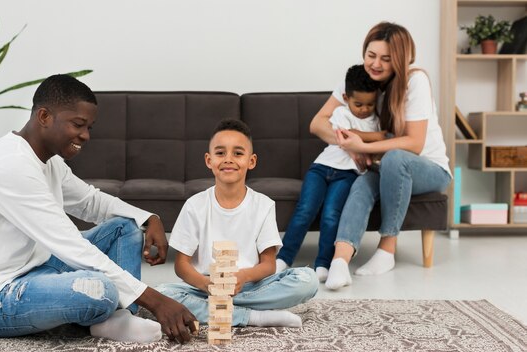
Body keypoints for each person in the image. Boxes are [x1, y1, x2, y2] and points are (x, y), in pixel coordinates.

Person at [0, 74, 198, 343]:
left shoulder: (46, 160)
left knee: (125, 226)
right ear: (44, 116)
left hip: (32, 267)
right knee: (101, 290)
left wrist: (148, 218)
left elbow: (90, 202)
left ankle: (119, 318)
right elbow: (71, 246)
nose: (85, 136)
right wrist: (157, 301)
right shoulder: (11, 166)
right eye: (78, 124)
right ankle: (112, 313)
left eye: (89, 127)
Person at [307, 22, 452, 290]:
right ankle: (340, 262)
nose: (376, 64)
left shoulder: (415, 80)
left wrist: (362, 147)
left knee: (396, 157)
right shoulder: (357, 81)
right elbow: (318, 123)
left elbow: (414, 144)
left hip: (429, 169)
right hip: (386, 166)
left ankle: (387, 250)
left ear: (400, 58)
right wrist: (349, 146)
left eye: (386, 58)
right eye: (371, 55)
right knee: (361, 184)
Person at [156, 119, 319, 327]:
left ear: (251, 161)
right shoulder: (194, 205)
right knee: (162, 294)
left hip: (251, 286)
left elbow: (268, 265)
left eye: (238, 153)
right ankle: (254, 316)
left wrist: (243, 277)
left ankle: (222, 310)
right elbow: (181, 265)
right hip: (204, 288)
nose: (229, 159)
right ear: (209, 160)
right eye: (220, 153)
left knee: (308, 280)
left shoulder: (264, 205)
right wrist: (207, 285)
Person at [275, 64, 383, 282]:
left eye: (370, 104)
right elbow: (345, 137)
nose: (364, 109)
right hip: (321, 168)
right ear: (345, 97)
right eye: (358, 104)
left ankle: (323, 263)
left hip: (348, 175)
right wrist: (368, 138)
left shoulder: (376, 121)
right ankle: (284, 258)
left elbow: (381, 138)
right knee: (305, 210)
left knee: (332, 215)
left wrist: (366, 139)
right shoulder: (340, 112)